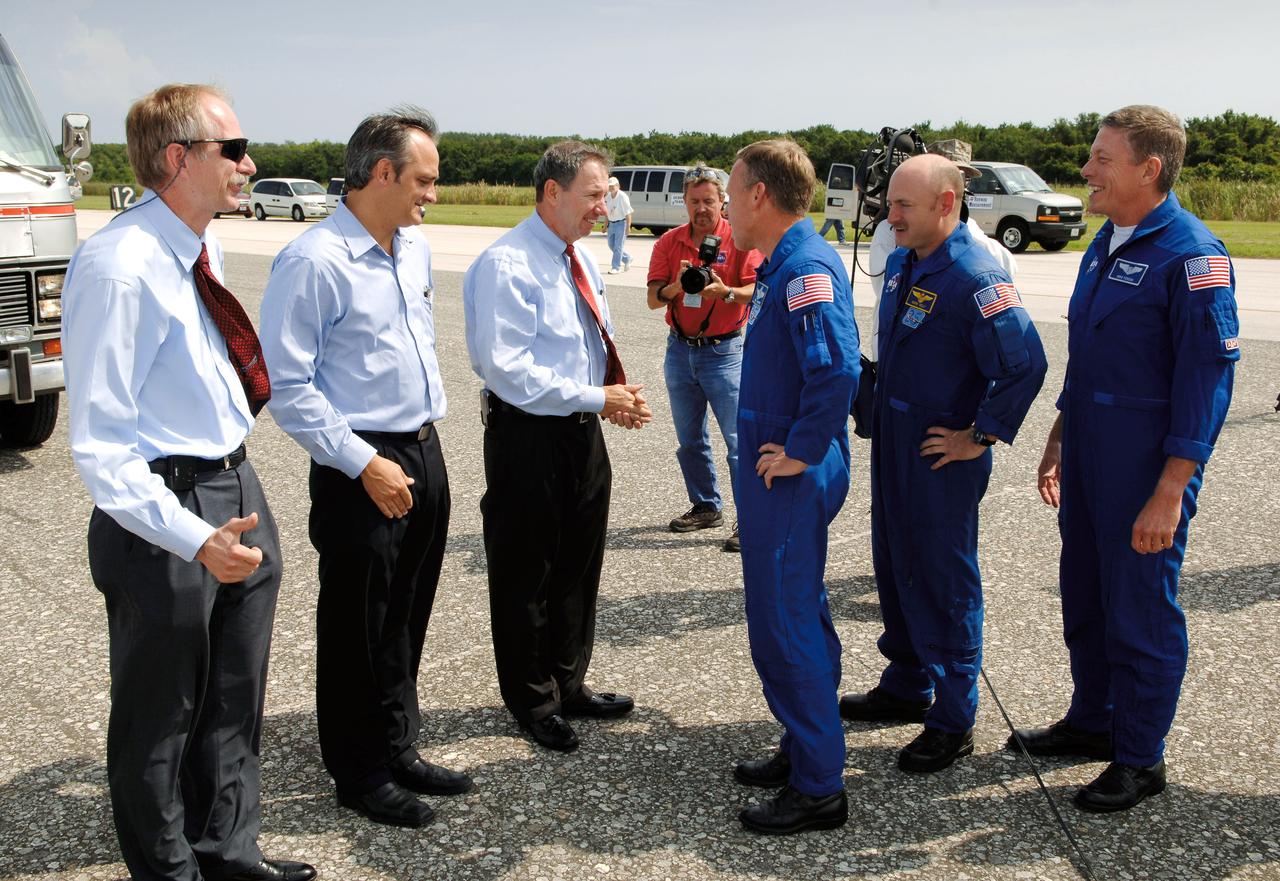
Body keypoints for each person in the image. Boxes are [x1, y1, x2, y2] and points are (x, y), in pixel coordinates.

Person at [61, 84, 314, 881]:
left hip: (232, 485)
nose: (251, 162)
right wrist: (192, 533)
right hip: (163, 512)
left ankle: (230, 854)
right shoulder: (120, 266)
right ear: (179, 159)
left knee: (235, 697)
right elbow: (102, 446)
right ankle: (169, 871)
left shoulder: (198, 248)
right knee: (160, 716)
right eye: (233, 149)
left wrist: (232, 507)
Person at [1012, 105, 1240, 813]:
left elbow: (1207, 382)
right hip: (1089, 454)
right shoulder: (1105, 241)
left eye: (1102, 160)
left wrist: (1172, 488)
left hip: (1146, 467)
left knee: (1140, 612)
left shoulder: (1194, 256)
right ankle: (1093, 720)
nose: (1087, 171)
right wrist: (1058, 434)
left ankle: (1140, 757)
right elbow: (1091, 353)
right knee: (1085, 595)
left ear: (1149, 167)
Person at [259, 107, 471, 829]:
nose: (431, 196)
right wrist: (362, 461)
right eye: (423, 179)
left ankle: (397, 744)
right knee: (358, 623)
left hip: (421, 447)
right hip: (359, 460)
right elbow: (287, 387)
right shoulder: (313, 260)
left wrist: (417, 453)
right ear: (382, 172)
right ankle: (360, 772)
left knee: (406, 612)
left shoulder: (410, 249)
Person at [840, 154, 1047, 774]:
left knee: (943, 580)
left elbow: (1025, 365)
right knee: (894, 562)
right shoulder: (906, 260)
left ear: (947, 205)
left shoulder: (976, 276)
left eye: (903, 205)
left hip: (939, 455)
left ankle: (954, 716)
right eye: (889, 203)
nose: (889, 214)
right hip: (895, 442)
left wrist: (979, 435)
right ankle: (907, 682)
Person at [463, 140, 652, 754]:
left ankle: (569, 683)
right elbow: (507, 368)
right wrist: (600, 399)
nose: (605, 206)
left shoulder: (578, 258)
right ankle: (532, 699)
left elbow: (587, 344)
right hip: (529, 435)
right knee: (527, 573)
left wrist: (609, 397)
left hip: (579, 430)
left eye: (606, 194)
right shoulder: (507, 264)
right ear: (553, 192)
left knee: (577, 564)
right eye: (594, 194)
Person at [726, 140, 860, 835]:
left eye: (731, 189)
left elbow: (836, 371)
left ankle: (819, 787)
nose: (723, 203)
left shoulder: (805, 267)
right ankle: (804, 742)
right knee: (798, 608)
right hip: (780, 466)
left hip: (789, 473)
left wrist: (802, 451)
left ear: (758, 195)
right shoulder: (783, 265)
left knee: (783, 623)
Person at [647, 166, 763, 553]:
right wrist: (681, 284)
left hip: (726, 352)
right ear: (684, 202)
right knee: (689, 438)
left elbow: (757, 290)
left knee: (736, 440)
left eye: (708, 201)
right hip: (680, 352)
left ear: (722, 201)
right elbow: (653, 298)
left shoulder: (740, 238)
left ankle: (750, 519)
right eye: (694, 201)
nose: (701, 209)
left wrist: (725, 292)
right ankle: (706, 505)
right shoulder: (669, 242)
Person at [864, 139, 1017, 357]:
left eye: (961, 175)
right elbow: (888, 288)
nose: (955, 180)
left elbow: (1006, 267)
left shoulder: (969, 229)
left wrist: (958, 236)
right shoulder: (889, 230)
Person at [604, 175, 633, 273]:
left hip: (621, 223)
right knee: (611, 245)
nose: (611, 188)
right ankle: (627, 258)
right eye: (609, 186)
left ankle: (615, 267)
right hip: (611, 224)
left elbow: (628, 213)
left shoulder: (623, 197)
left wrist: (628, 227)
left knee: (618, 246)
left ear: (618, 186)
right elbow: (607, 212)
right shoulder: (607, 197)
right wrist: (605, 225)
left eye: (613, 186)